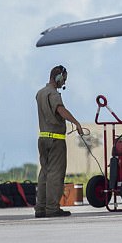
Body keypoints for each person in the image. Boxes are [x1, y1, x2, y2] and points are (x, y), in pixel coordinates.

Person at [34, 65, 84, 218]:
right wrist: (76, 123)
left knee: (44, 173)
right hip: (56, 140)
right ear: (58, 78)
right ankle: (52, 208)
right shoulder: (53, 94)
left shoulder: (40, 93)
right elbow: (60, 110)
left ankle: (40, 208)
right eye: (64, 80)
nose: (64, 83)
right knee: (56, 174)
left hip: (43, 138)